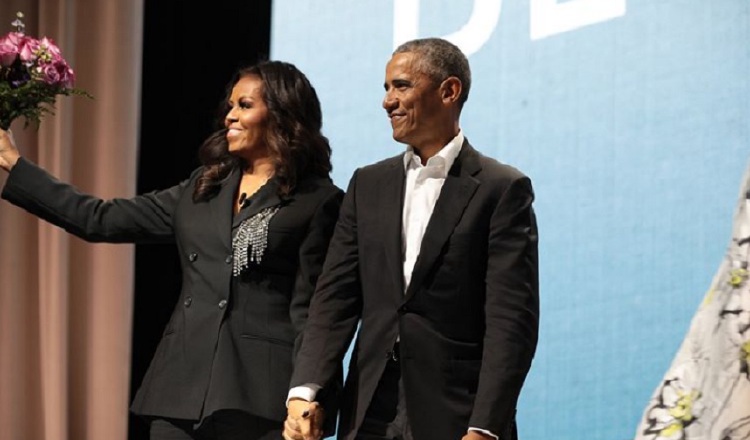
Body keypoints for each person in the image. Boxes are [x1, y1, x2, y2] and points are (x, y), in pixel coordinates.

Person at [0, 60, 344, 440]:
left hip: (261, 395)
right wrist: (15, 165)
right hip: (180, 391)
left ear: (282, 114)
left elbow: (317, 312)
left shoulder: (318, 201)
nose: (230, 116)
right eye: (230, 106)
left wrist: (309, 391)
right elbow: (99, 219)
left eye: (245, 106)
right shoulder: (204, 187)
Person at [283, 37, 540, 440]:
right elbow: (334, 299)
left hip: (456, 415)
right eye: (386, 89)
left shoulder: (501, 189)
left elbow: (511, 323)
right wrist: (305, 389)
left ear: (449, 91)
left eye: (401, 86)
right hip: (369, 410)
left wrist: (486, 427)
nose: (388, 101)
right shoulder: (367, 184)